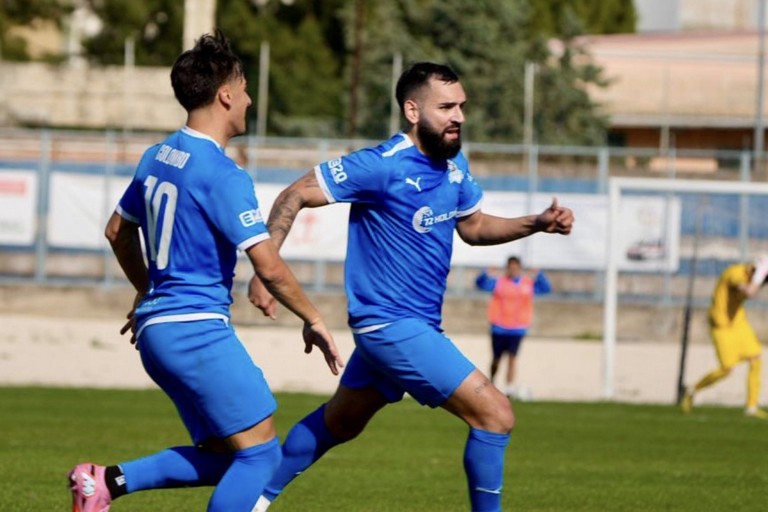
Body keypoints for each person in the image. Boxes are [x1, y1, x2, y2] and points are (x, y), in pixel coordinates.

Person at [248, 62, 574, 512]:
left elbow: (474, 226)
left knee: (340, 423)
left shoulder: (453, 162)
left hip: (410, 325)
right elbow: (295, 193)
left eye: (462, 105)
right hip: (390, 325)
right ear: (413, 110)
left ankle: (252, 500)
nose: (458, 116)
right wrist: (267, 269)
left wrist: (535, 223)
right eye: (446, 107)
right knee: (496, 415)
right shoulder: (380, 166)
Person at [67, 30, 343, 512]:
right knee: (260, 458)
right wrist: (314, 318)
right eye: (246, 87)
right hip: (197, 331)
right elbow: (269, 267)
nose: (251, 100)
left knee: (225, 457)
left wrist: (145, 291)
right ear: (226, 94)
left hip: (157, 331)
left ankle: (104, 481)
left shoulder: (158, 156)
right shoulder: (223, 174)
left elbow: (116, 231)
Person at [682, 257, 768, 418]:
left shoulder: (753, 278)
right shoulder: (735, 273)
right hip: (721, 325)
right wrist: (758, 279)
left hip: (738, 323)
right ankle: (693, 389)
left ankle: (751, 406)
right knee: (727, 368)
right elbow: (747, 290)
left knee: (756, 358)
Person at [475, 256, 551, 399]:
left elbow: (546, 289)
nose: (513, 269)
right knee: (496, 358)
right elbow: (480, 284)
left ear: (519, 268)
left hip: (517, 328)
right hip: (499, 327)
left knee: (512, 357)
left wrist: (539, 275)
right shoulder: (499, 282)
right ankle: (492, 380)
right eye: (511, 267)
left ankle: (509, 388)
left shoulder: (527, 284)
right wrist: (485, 273)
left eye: (516, 267)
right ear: (508, 268)